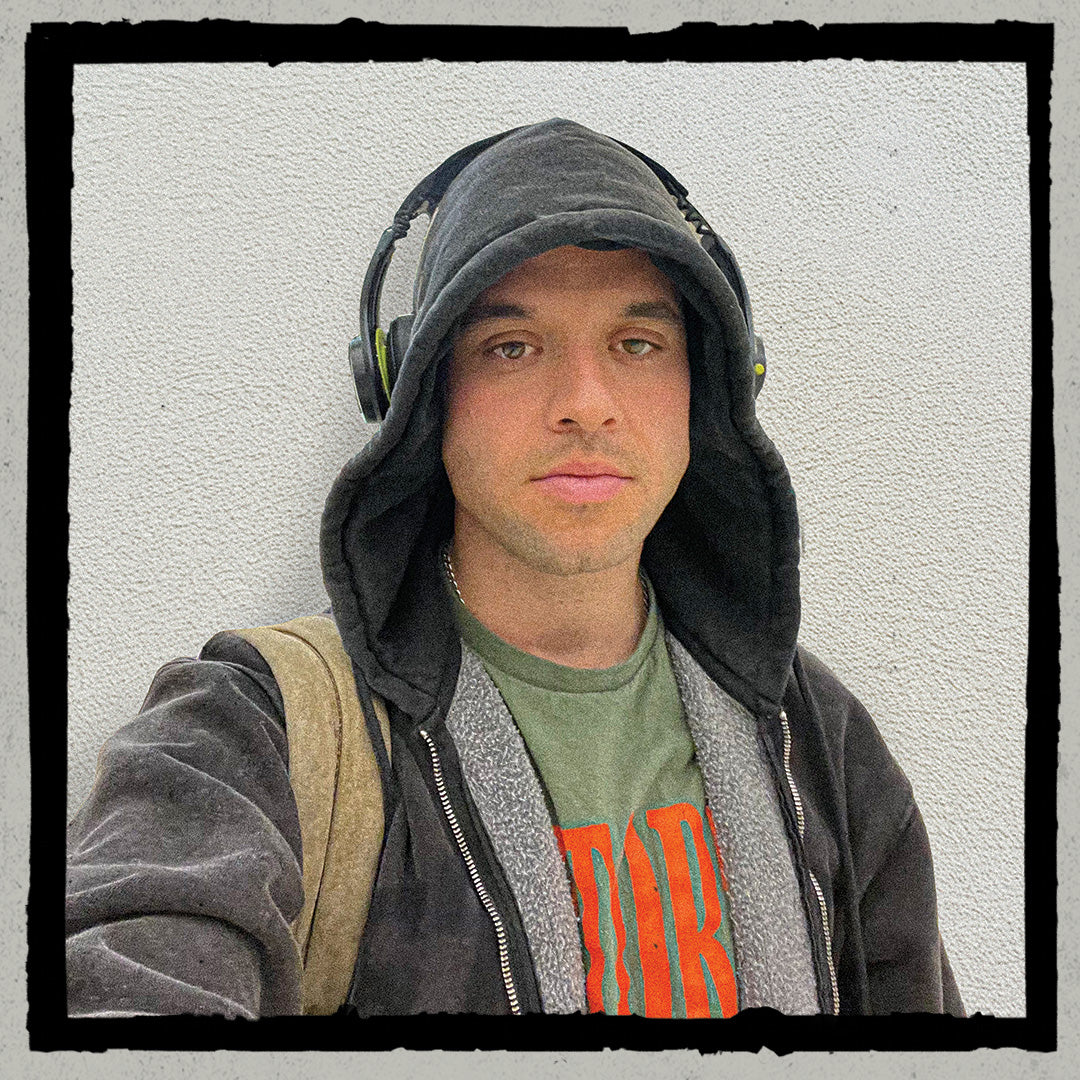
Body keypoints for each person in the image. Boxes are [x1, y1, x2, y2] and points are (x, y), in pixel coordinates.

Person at [66, 119, 964, 1019]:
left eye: (637, 344)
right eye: (512, 347)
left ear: (711, 392)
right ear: (420, 394)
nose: (585, 404)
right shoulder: (250, 728)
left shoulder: (819, 738)